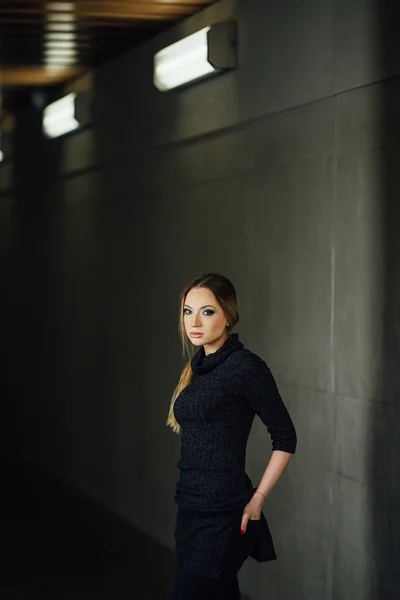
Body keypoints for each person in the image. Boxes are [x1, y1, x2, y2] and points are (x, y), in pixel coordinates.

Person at [167, 273, 297, 600]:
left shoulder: (244, 367)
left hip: (226, 515)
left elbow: (285, 437)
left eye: (207, 311)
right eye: (187, 311)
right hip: (190, 511)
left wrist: (258, 500)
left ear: (228, 316)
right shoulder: (197, 367)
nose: (194, 321)